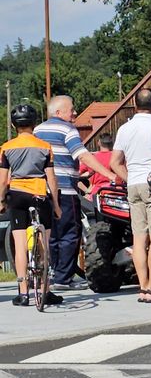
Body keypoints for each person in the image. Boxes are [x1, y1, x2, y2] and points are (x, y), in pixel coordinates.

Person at [35, 95, 118, 290]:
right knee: (70, 233)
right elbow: (82, 155)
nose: (75, 113)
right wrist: (110, 175)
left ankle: (54, 272)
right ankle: (64, 278)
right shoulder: (67, 129)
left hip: (42, 190)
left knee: (52, 234)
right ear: (58, 113)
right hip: (64, 189)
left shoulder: (38, 130)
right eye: (71, 109)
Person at [0, 104, 64, 307]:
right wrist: (56, 205)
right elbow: (52, 180)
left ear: (13, 124)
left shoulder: (6, 148)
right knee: (44, 244)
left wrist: (1, 201)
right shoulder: (45, 147)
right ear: (34, 124)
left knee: (20, 245)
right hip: (39, 194)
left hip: (17, 195)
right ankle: (45, 290)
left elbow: (2, 181)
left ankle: (23, 292)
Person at [110, 88, 151, 304]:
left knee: (139, 238)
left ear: (135, 105)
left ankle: (143, 286)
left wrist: (128, 178)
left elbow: (114, 162)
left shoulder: (125, 129)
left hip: (133, 184)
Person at [79, 133, 115, 205]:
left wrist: (87, 190)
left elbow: (76, 174)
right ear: (111, 143)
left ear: (99, 143)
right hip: (114, 192)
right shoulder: (116, 157)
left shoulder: (92, 159)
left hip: (96, 193)